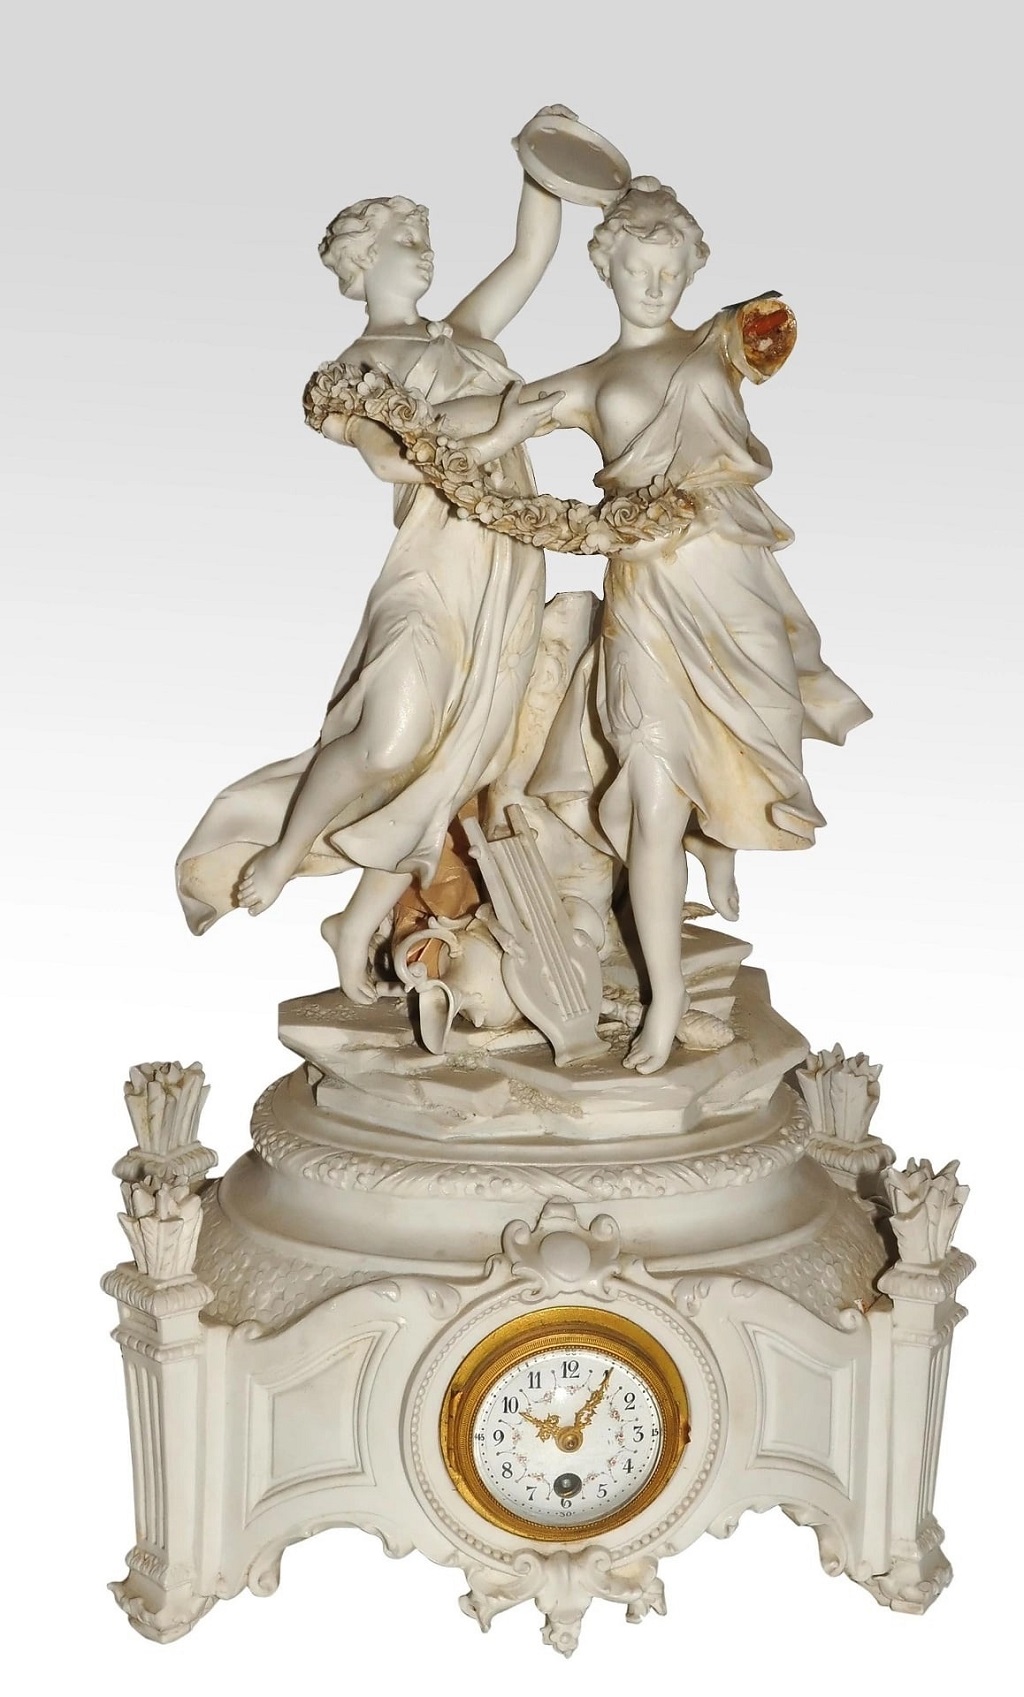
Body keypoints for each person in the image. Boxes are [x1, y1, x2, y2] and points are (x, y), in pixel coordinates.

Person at [463, 177, 871, 1074]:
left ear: (692, 270)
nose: (653, 285)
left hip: (730, 581)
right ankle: (667, 999)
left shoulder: (715, 343)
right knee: (652, 791)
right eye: (636, 268)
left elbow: (775, 333)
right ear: (604, 268)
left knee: (754, 731)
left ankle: (717, 835)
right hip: (646, 595)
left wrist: (751, 321)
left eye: (670, 269)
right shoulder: (587, 381)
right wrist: (416, 411)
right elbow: (484, 431)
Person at [176, 159, 564, 1002]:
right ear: (363, 261)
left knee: (456, 761)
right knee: (392, 740)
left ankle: (357, 924)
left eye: (426, 236)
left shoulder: (464, 335)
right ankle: (284, 848)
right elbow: (391, 462)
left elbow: (532, 253)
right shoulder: (359, 367)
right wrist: (502, 433)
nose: (425, 250)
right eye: (406, 239)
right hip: (435, 564)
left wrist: (543, 165)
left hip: (506, 567)